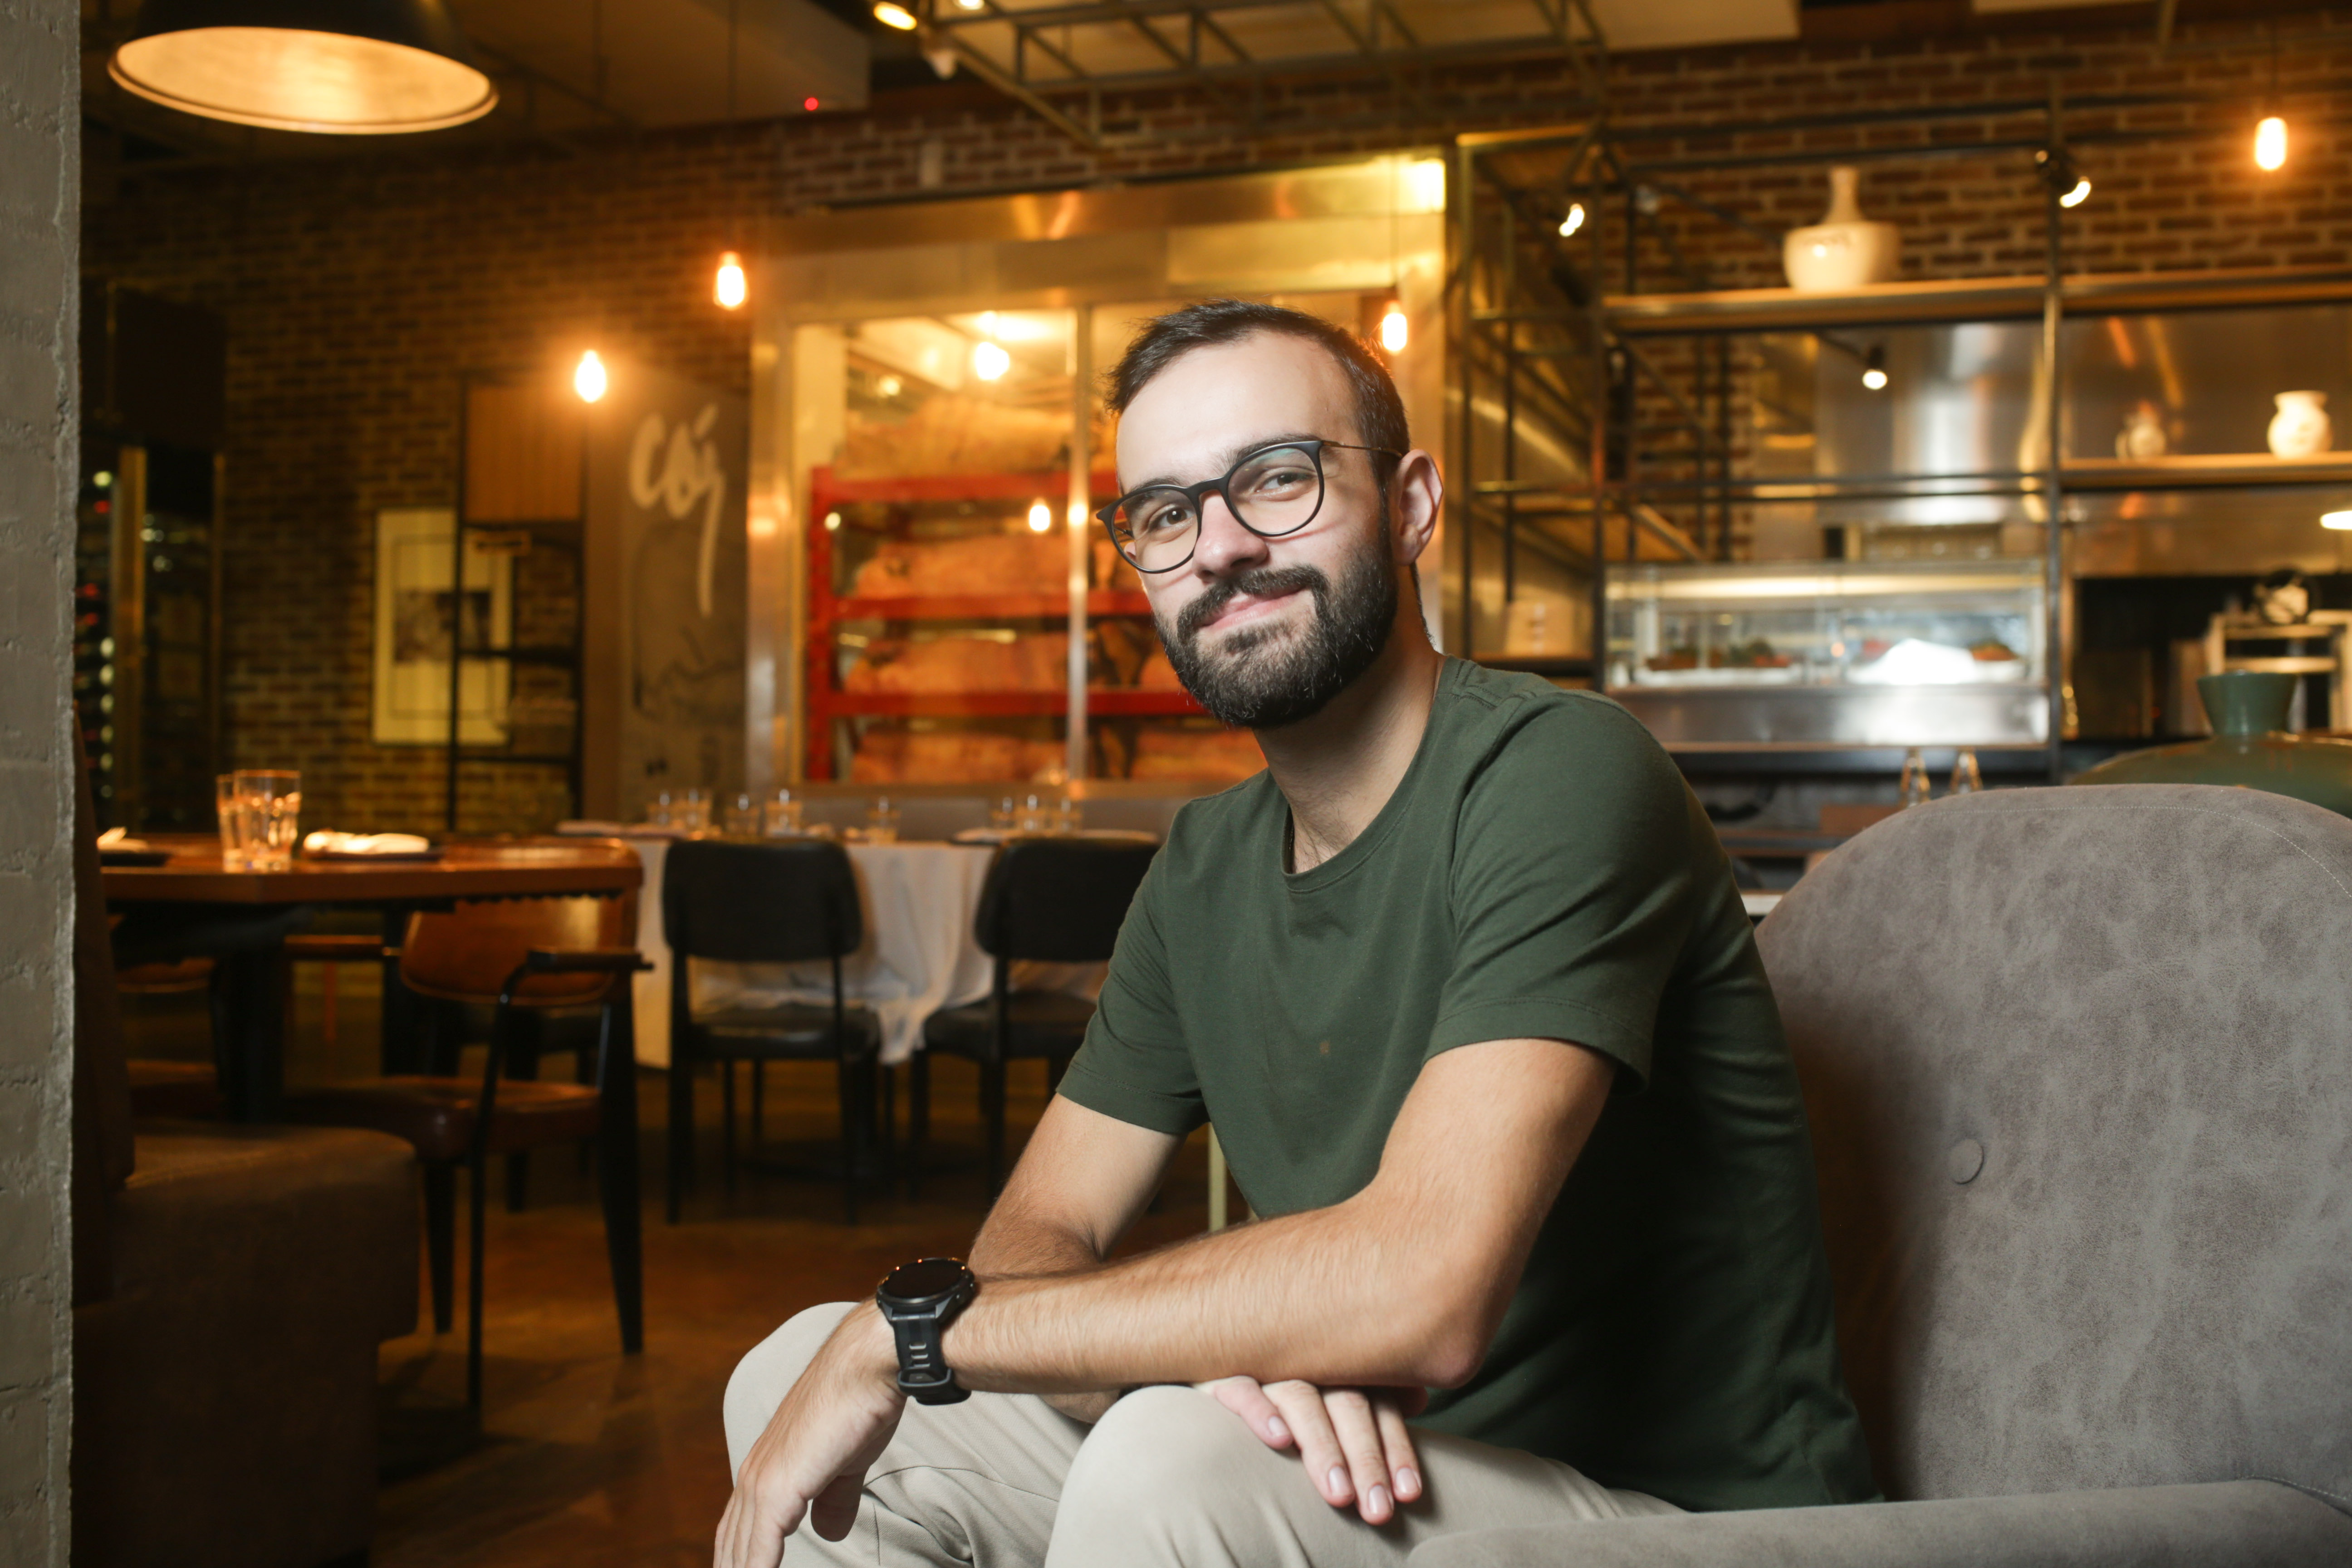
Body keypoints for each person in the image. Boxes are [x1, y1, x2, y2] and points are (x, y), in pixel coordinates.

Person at [716, 299, 1875, 1568]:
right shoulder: (1203, 867)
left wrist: (913, 1335)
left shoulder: (1562, 775)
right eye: (1166, 513)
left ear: (1415, 505)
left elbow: (1422, 1291)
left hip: (1685, 1521)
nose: (1218, 547)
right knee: (789, 1379)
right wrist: (1245, 1369)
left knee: (1151, 1461)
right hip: (1363, 1471)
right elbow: (1031, 1243)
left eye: (1277, 478)